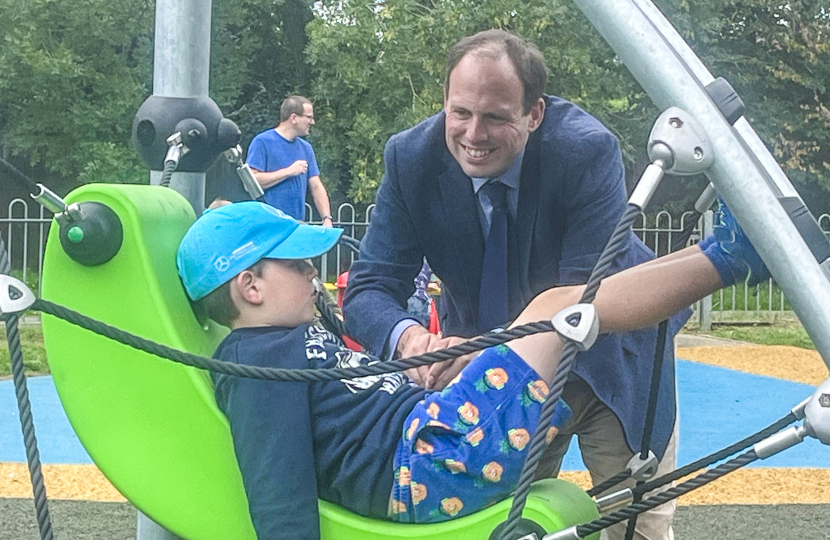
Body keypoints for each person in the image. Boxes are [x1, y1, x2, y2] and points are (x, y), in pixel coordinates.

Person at [175, 199, 768, 540]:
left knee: (553, 308)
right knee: (554, 310)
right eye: (298, 266)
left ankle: (724, 252)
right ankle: (733, 256)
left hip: (438, 437)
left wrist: (416, 371)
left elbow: (354, 402)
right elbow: (276, 487)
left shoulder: (296, 336)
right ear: (249, 286)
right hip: (427, 466)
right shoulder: (253, 365)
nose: (313, 275)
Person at [342, 29, 685, 539]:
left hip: (610, 363)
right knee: (490, 528)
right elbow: (368, 286)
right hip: (492, 377)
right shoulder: (409, 158)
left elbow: (582, 300)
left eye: (496, 117)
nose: (473, 134)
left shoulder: (586, 152)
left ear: (535, 114)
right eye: (459, 112)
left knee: (636, 528)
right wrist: (414, 340)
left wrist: (480, 355)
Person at [247, 95, 334, 226]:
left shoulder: (306, 148)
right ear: (294, 118)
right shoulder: (262, 142)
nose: (312, 122)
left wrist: (327, 218)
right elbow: (250, 182)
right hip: (267, 226)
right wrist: (288, 171)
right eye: (309, 117)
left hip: (296, 226)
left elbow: (316, 186)